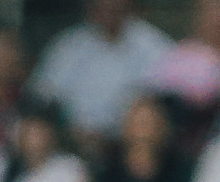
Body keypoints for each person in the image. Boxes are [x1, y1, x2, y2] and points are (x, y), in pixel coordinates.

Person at [30, 0, 173, 146]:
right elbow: (41, 96)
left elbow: (170, 100)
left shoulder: (154, 45)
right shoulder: (68, 47)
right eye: (100, 6)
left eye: (115, 7)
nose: (108, 11)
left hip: (129, 146)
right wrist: (67, 128)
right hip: (73, 143)